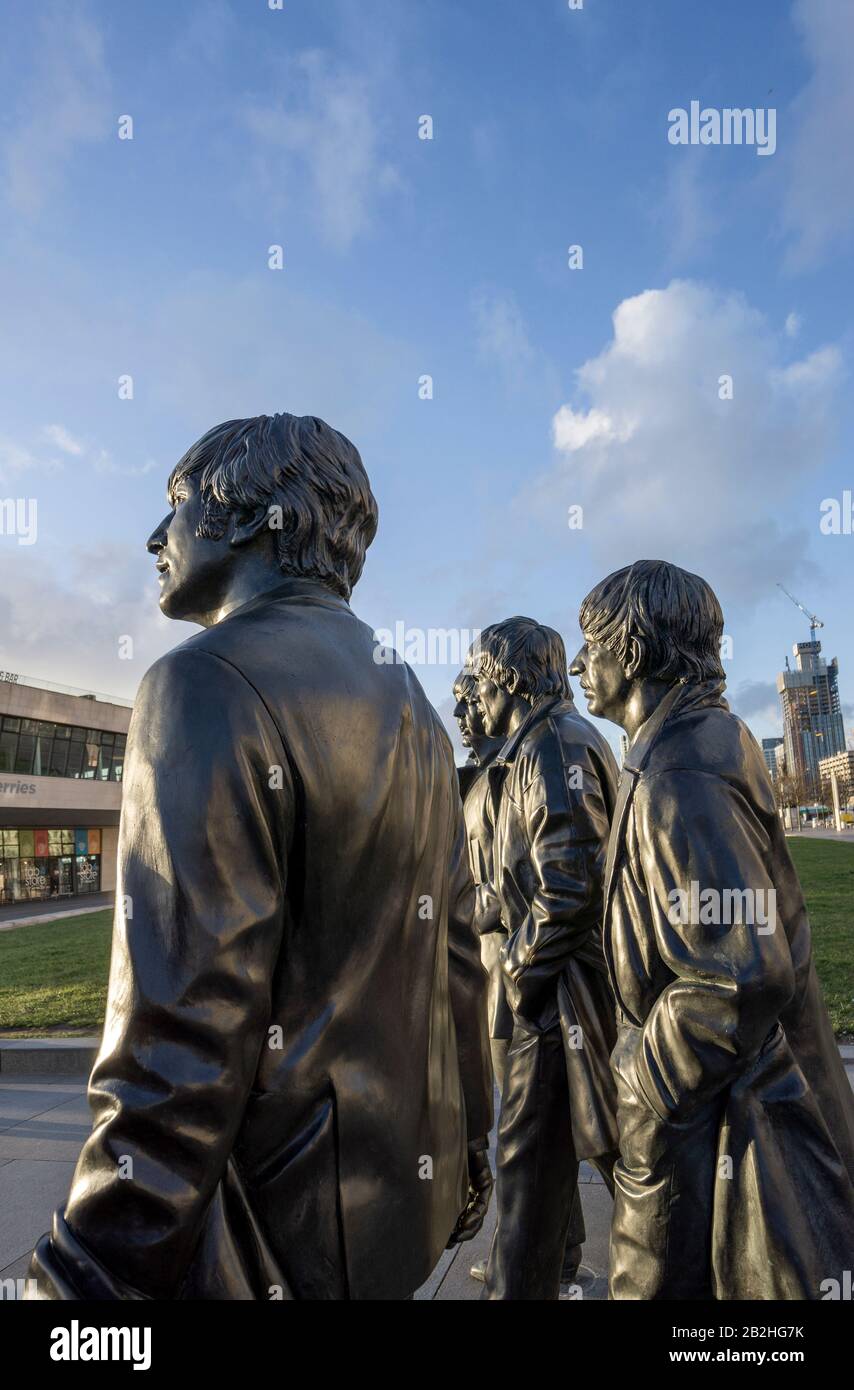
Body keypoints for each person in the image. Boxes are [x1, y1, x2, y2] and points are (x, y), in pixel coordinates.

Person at [27, 412, 493, 1301]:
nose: (156, 537)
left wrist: (81, 1286)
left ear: (248, 516)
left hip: (269, 1236)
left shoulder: (201, 682)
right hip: (396, 1208)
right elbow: (460, 966)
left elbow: (182, 1036)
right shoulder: (420, 710)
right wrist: (467, 1149)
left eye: (178, 503)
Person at [571, 559, 854, 1300]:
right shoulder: (703, 738)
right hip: (712, 1109)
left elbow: (740, 973)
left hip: (706, 1120)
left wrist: (643, 1076)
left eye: (590, 644)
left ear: (630, 655)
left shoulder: (679, 772)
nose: (577, 666)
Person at [472, 617, 620, 1300]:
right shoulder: (545, 743)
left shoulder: (552, 744)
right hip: (562, 993)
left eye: (479, 675)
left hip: (559, 1000)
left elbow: (569, 883)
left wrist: (518, 975)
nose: (474, 690)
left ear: (507, 676)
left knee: (528, 1167)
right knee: (576, 1156)